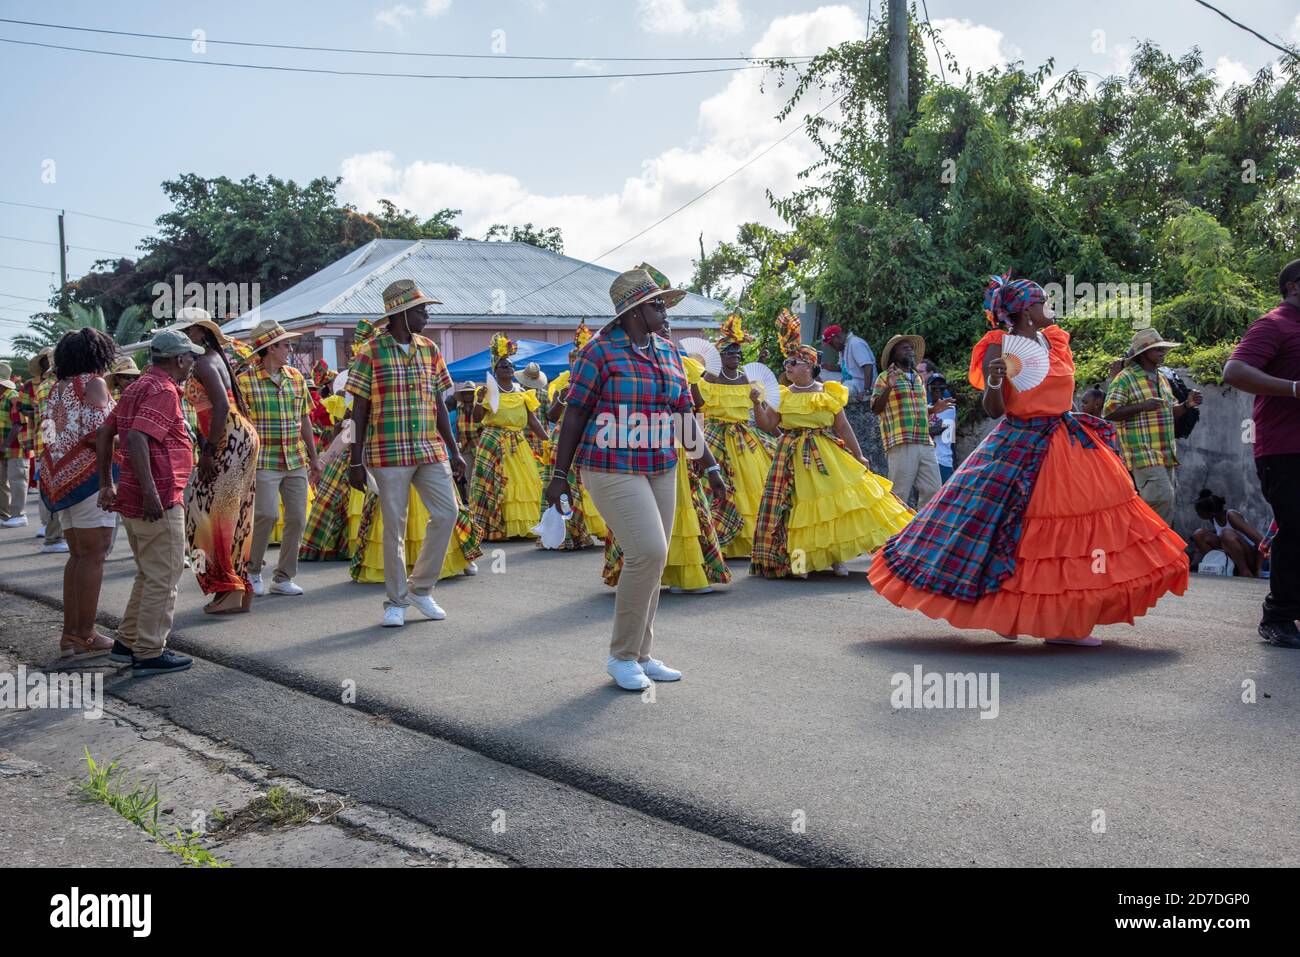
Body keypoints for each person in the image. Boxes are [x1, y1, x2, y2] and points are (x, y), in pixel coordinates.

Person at [869, 273, 1189, 646]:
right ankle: (1019, 614)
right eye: (1041, 301)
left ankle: (1063, 620)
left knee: (1068, 533)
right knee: (1013, 532)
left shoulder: (1054, 340)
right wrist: (993, 379)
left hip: (1065, 440)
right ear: (1023, 310)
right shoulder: (998, 344)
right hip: (1018, 439)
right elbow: (994, 409)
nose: (1048, 307)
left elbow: (1064, 396)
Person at [545, 264, 726, 690]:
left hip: (661, 465)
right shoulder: (600, 352)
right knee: (646, 551)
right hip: (609, 467)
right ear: (634, 311)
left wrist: (710, 464)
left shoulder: (667, 352)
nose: (666, 313)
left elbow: (683, 412)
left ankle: (642, 654)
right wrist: (559, 474)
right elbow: (575, 414)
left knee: (656, 558)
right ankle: (621, 656)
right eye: (659, 305)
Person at [750, 311, 912, 579]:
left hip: (825, 452)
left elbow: (843, 427)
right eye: (787, 362)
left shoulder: (829, 392)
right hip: (791, 456)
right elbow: (767, 425)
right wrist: (757, 403)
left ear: (810, 367)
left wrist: (859, 455)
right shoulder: (782, 395)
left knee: (836, 508)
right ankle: (800, 564)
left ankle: (837, 559)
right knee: (797, 510)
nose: (788, 366)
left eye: (795, 362)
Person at [347, 279, 465, 629]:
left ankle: (421, 588)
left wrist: (454, 449)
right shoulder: (371, 351)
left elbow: (440, 404)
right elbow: (358, 410)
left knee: (448, 512)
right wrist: (356, 461)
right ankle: (396, 600)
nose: (426, 315)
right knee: (394, 528)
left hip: (430, 449)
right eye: (421, 310)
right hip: (387, 452)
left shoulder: (430, 349)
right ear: (401, 314)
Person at [94, 330, 202, 674]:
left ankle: (128, 642)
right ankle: (149, 651)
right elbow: (139, 437)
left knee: (150, 574)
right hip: (158, 496)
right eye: (191, 358)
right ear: (179, 359)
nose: (192, 364)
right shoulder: (163, 390)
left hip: (134, 494)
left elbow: (105, 433)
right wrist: (154, 494)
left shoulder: (137, 386)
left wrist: (106, 484)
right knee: (165, 576)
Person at [1222, 258, 1300, 648]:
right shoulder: (1273, 324)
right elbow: (1234, 371)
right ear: (1294, 287)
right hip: (1285, 449)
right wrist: (1294, 388)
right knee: (1296, 529)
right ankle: (1278, 617)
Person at [172, 308, 261, 615]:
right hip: (234, 437)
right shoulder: (211, 359)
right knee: (226, 515)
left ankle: (229, 587)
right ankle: (236, 586)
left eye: (188, 331)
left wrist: (208, 451)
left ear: (202, 332)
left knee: (211, 517)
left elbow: (221, 406)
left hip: (228, 439)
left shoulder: (203, 363)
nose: (184, 337)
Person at [37, 330, 118, 659]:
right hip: (89, 480)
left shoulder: (56, 388)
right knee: (94, 556)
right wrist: (106, 482)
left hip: (61, 481)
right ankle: (84, 634)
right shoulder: (94, 384)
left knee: (78, 557)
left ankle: (71, 635)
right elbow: (102, 433)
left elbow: (48, 434)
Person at [237, 319, 321, 599]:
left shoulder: (296, 377)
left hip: (295, 458)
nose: (290, 348)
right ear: (270, 349)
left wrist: (314, 456)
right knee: (266, 514)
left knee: (298, 517)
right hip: (263, 460)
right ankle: (252, 570)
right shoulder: (245, 381)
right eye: (285, 345)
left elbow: (304, 418)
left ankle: (283, 577)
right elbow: (240, 425)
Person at [691, 313, 775, 558]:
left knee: (749, 485)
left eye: (738, 354)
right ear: (720, 356)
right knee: (714, 485)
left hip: (743, 439)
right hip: (715, 436)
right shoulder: (709, 378)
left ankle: (748, 540)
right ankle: (718, 541)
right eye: (730, 353)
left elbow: (760, 411)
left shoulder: (747, 380)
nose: (735, 358)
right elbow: (697, 404)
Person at [1103, 328, 1202, 525]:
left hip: (1165, 454)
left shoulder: (1162, 378)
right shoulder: (1126, 378)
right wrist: (1143, 406)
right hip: (1143, 454)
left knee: (1165, 504)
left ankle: (1157, 551)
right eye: (1158, 350)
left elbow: (1169, 412)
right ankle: (1151, 551)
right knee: (1160, 501)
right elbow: (1110, 412)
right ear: (1144, 353)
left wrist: (1186, 405)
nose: (1162, 353)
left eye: (1163, 349)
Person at [466, 334, 548, 542]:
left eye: (511, 366)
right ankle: (497, 527)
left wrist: (549, 441)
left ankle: (524, 525)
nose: (509, 369)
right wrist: (478, 400)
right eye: (504, 366)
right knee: (495, 485)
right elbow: (477, 419)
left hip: (518, 444)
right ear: (495, 369)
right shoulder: (487, 391)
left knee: (524, 482)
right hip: (494, 442)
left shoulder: (523, 392)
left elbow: (532, 421)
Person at [541, 319, 606, 548]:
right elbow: (551, 415)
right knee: (567, 485)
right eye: (574, 358)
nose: (578, 361)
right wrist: (562, 398)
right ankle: (566, 535)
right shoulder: (560, 381)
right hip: (565, 438)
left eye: (581, 357)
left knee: (587, 487)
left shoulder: (598, 378)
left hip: (590, 436)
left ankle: (584, 531)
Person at [870, 334, 950, 507]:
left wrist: (933, 410)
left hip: (924, 440)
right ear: (894, 353)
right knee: (898, 495)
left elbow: (916, 409)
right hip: (901, 440)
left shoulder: (918, 377)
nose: (910, 351)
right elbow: (876, 408)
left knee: (934, 491)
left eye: (911, 348)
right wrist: (889, 387)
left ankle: (921, 532)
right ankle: (894, 533)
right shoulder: (885, 377)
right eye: (904, 348)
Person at [28, 347, 67, 553]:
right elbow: (48, 422)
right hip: (51, 448)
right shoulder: (49, 387)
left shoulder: (52, 385)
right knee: (52, 492)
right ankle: (53, 537)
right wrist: (54, 451)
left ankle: (54, 534)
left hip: (51, 448)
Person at [1191, 489, 1264, 578]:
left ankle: (1245, 571)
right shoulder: (1213, 519)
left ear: (1212, 513)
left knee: (1226, 534)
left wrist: (1258, 569)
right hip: (1232, 555)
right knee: (1199, 534)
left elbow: (1260, 540)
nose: (1198, 514)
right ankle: (1218, 565)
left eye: (1200, 513)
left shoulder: (1232, 516)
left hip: (1250, 558)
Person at [0, 360, 32, 527]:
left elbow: (19, 424)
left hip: (16, 446)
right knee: (2, 482)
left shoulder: (12, 397)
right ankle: (4, 514)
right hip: (4, 446)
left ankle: (19, 515)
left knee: (17, 480)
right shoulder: (1, 397)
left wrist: (5, 444)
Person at [822, 324, 876, 402]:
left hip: (862, 385)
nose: (831, 347)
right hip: (851, 382)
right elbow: (841, 367)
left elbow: (868, 366)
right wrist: (829, 367)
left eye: (831, 343)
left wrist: (866, 391)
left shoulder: (855, 344)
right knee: (825, 385)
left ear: (837, 338)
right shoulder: (843, 347)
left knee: (833, 396)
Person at [926, 373, 958, 484]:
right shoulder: (926, 408)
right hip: (927, 461)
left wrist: (924, 431)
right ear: (928, 388)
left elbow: (940, 429)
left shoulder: (949, 407)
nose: (938, 389)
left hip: (943, 460)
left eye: (941, 386)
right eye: (934, 386)